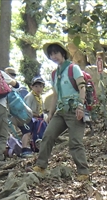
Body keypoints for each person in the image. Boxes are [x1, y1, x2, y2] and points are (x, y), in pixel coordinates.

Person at [31, 42, 90, 182]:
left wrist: (81, 107)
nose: (54, 56)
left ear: (62, 53)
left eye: (56, 53)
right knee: (48, 136)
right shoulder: (54, 74)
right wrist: (50, 113)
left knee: (75, 142)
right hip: (60, 111)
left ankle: (83, 172)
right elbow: (55, 95)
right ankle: (41, 166)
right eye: (51, 54)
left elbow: (82, 88)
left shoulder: (73, 68)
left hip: (75, 110)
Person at [21, 76, 46, 157]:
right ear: (31, 87)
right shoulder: (30, 96)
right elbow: (27, 109)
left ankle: (36, 146)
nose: (39, 88)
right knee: (27, 132)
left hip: (37, 118)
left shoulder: (39, 97)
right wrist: (36, 115)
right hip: (28, 118)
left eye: (41, 86)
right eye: (36, 86)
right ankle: (24, 148)